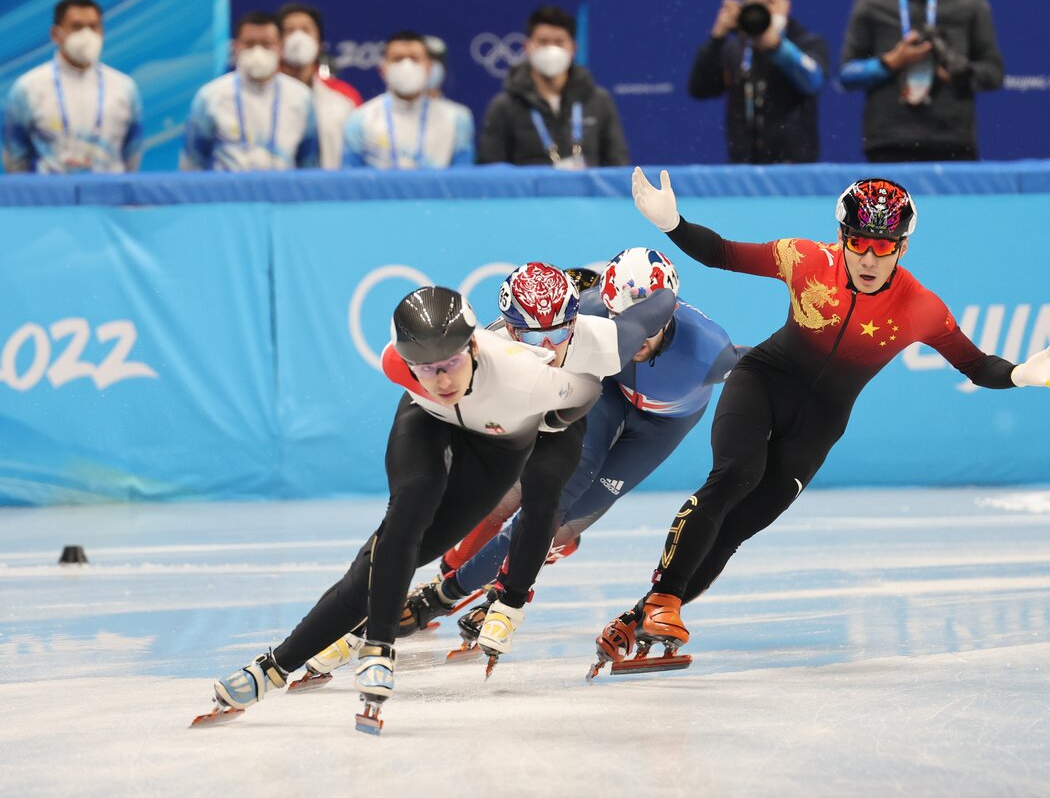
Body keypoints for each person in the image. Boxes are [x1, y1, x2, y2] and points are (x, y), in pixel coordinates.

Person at [592, 169, 1050, 671]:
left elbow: (975, 365)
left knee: (743, 523)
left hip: (821, 421)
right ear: (841, 239)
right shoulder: (805, 260)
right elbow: (723, 252)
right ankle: (663, 601)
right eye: (860, 244)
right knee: (735, 476)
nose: (870, 259)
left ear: (903, 249)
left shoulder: (920, 307)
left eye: (884, 247)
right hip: (762, 381)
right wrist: (672, 223)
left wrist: (1019, 373)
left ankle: (637, 618)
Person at [196, 285, 600, 732]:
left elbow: (587, 390)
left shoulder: (523, 374)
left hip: (499, 447)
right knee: (408, 509)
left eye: (451, 364)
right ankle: (372, 649)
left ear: (473, 347)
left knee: (383, 566)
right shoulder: (398, 366)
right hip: (429, 420)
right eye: (426, 369)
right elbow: (430, 382)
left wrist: (552, 421)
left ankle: (275, 666)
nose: (442, 380)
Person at [297, 262, 678, 680]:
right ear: (512, 331)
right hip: (500, 424)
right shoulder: (489, 349)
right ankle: (378, 615)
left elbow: (653, 312)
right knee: (460, 512)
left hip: (561, 419)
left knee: (555, 513)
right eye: (534, 335)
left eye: (558, 332)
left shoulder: (601, 333)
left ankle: (476, 593)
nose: (549, 347)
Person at [436, 250, 743, 651]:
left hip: (661, 424)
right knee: (532, 493)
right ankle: (453, 574)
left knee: (568, 518)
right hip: (609, 391)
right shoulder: (591, 313)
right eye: (621, 323)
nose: (634, 338)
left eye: (647, 326)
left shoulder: (711, 351)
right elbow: (497, 340)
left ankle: (501, 579)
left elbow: (764, 369)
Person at [838, 0, 1004, 162]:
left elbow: (994, 73)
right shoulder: (871, 3)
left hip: (953, 141)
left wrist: (963, 74)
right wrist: (889, 63)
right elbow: (847, 74)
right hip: (888, 142)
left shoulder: (969, 0)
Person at [688, 0, 828, 163]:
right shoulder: (735, 47)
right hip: (743, 168)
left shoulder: (807, 43)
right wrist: (717, 37)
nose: (763, 10)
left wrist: (777, 46)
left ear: (786, 5)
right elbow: (700, 88)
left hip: (794, 168)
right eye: (754, 3)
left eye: (769, 2)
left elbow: (812, 82)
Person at [3, 0, 143, 174]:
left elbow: (131, 155)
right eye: (76, 27)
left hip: (110, 197)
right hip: (49, 198)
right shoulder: (27, 88)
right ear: (55, 34)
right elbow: (15, 159)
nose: (87, 35)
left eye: (94, 27)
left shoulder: (125, 88)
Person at [478, 5, 628, 168]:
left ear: (573, 48)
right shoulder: (503, 106)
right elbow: (491, 171)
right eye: (543, 42)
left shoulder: (599, 100)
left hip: (586, 193)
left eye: (559, 42)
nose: (551, 49)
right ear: (527, 47)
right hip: (530, 194)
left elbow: (617, 164)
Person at [181, 11, 319, 171]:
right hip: (226, 194)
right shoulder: (210, 97)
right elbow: (192, 164)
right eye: (249, 44)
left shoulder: (301, 98)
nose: (258, 51)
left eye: (266, 44)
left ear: (281, 47)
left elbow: (309, 164)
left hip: (281, 194)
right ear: (236, 47)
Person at [341, 30, 475, 169]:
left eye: (414, 58)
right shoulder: (360, 119)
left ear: (429, 68)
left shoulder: (457, 119)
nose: (407, 65)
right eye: (397, 59)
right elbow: (351, 182)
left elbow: (462, 181)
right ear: (383, 69)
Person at [277, 2, 362, 169]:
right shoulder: (262, 96)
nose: (298, 38)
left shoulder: (346, 97)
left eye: (306, 30)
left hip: (331, 191)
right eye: (289, 31)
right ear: (276, 42)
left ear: (320, 43)